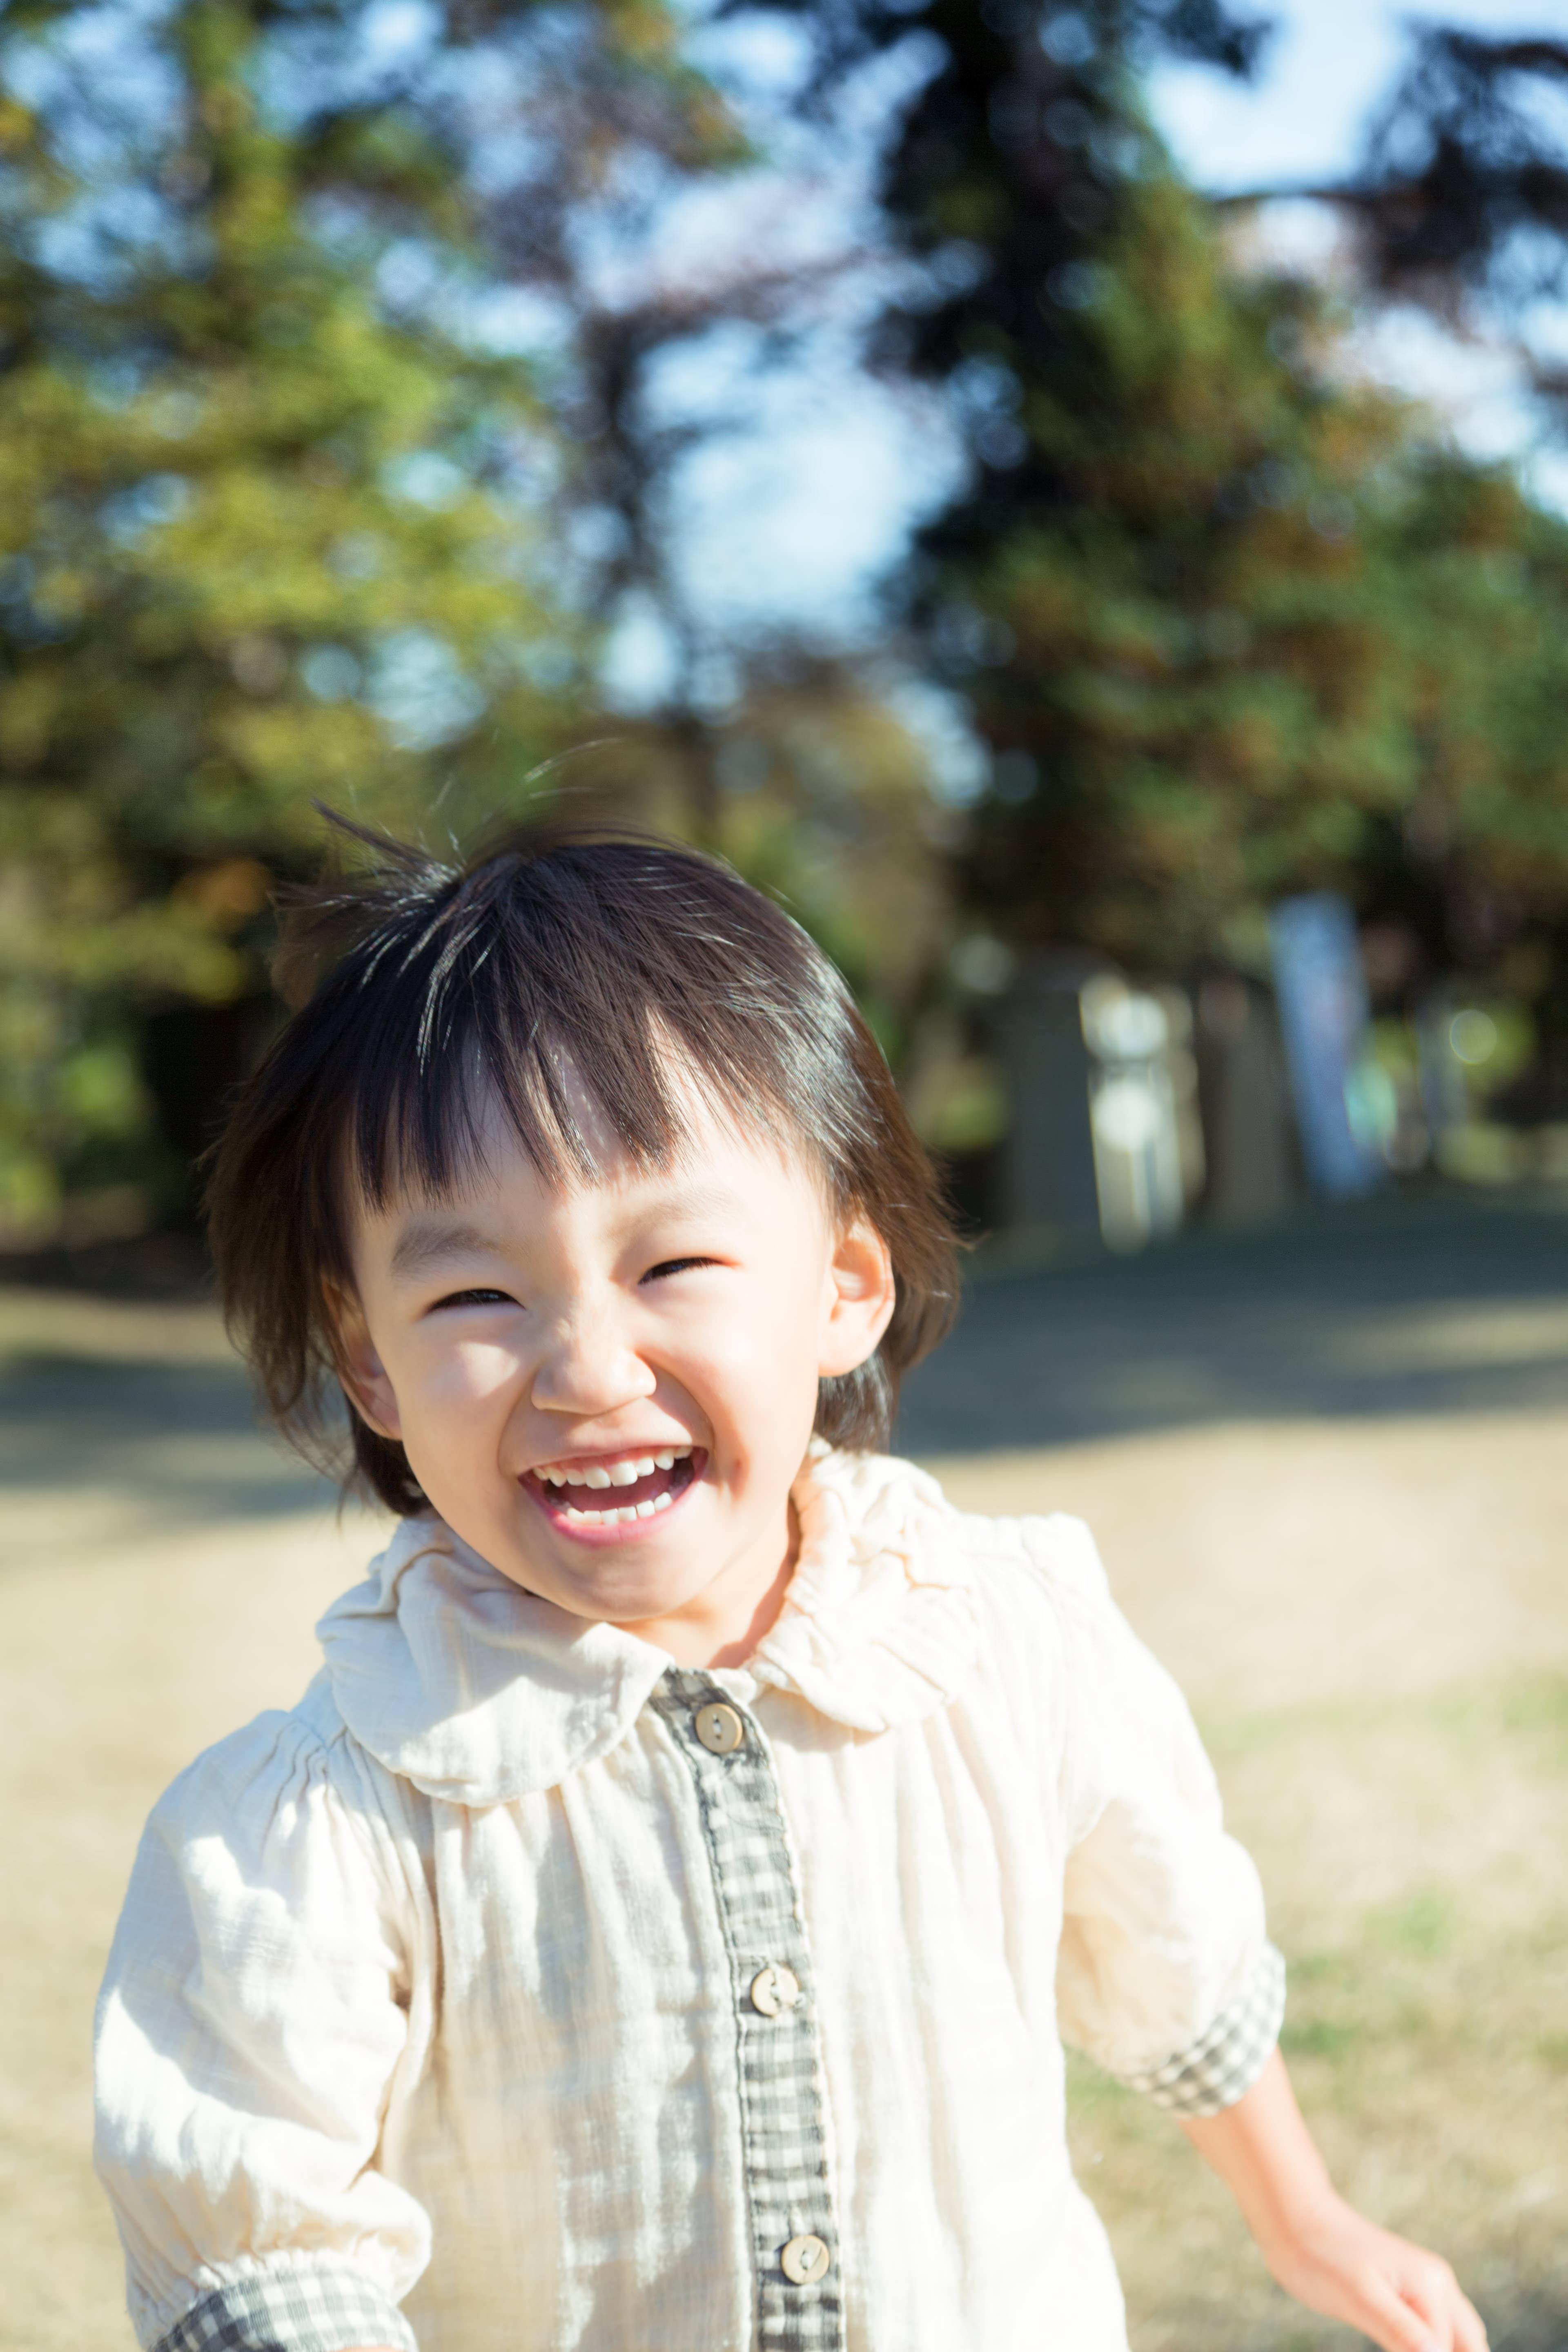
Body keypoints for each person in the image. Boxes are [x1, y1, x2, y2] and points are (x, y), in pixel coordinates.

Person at [94, 822, 1484, 2352]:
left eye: (673, 1265)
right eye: (475, 1293)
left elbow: (1177, 1957)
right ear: (371, 1360)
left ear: (843, 1287)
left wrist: (1307, 2217)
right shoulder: (326, 1827)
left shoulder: (1000, 1647)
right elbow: (265, 2260)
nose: (587, 1368)